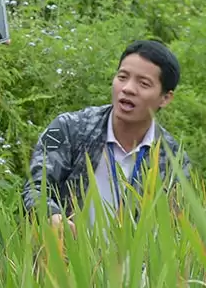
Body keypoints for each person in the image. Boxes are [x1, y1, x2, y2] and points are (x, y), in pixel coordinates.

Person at [24, 39, 188, 220]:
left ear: (165, 98)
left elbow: (179, 224)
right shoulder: (70, 129)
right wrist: (51, 216)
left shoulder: (174, 159)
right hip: (67, 246)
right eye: (122, 77)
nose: (128, 89)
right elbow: (35, 190)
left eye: (143, 84)